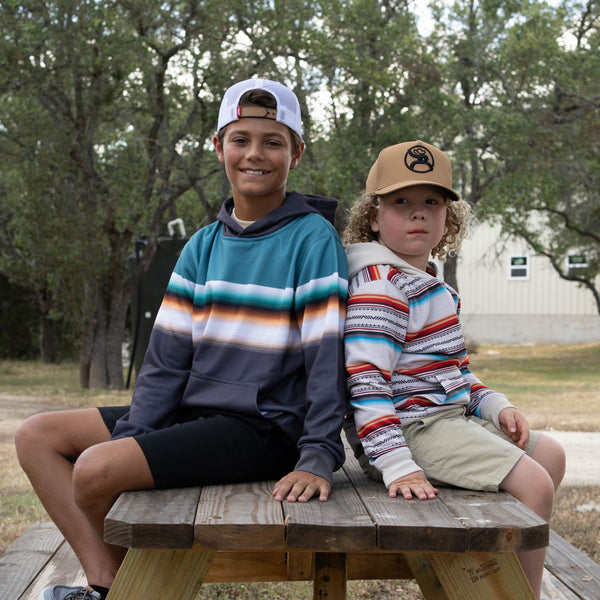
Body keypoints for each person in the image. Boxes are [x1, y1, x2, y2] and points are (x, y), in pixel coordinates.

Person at [15, 78, 348, 600]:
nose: (254, 154)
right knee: (37, 436)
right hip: (194, 414)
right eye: (240, 139)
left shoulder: (312, 238)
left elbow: (326, 359)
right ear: (219, 147)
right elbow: (167, 361)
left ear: (297, 153)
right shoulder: (203, 244)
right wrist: (139, 434)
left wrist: (317, 454)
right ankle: (108, 583)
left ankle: (118, 590)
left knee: (95, 469)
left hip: (263, 428)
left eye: (273, 141)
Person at [342, 139, 565, 599]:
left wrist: (495, 406)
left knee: (551, 455)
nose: (417, 214)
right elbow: (365, 382)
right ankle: (523, 594)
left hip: (447, 421)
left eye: (431, 202)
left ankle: (496, 574)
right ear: (373, 217)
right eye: (401, 202)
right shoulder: (382, 288)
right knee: (534, 484)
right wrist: (397, 465)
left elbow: (457, 372)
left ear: (448, 219)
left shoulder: (429, 283)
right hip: (407, 433)